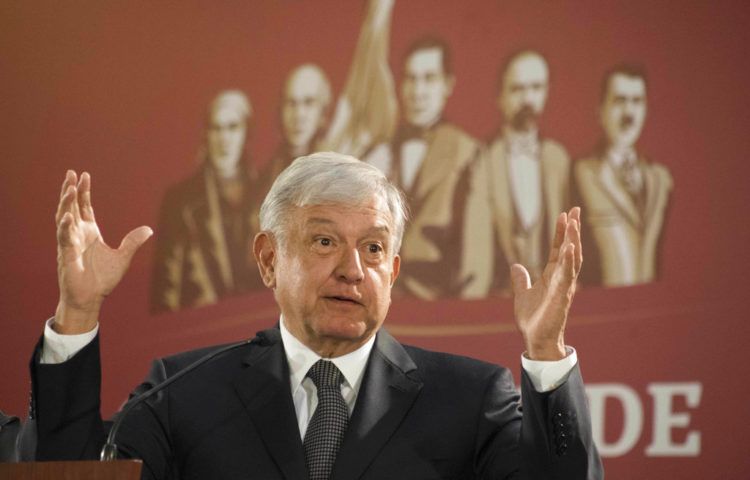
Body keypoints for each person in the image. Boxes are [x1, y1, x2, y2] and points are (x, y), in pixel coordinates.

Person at [22, 153, 602, 479]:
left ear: (393, 272)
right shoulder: (181, 392)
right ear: (269, 259)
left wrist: (546, 352)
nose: (354, 269)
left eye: (374, 249)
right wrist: (78, 311)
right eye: (324, 242)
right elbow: (66, 477)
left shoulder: (470, 398)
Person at [366, 37, 487, 300]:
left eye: (429, 79)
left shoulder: (468, 152)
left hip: (440, 306)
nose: (417, 91)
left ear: (448, 85)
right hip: (380, 304)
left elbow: (476, 260)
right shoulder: (378, 154)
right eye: (410, 79)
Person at [149, 90, 266, 313]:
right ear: (206, 134)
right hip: (203, 332)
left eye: (233, 127)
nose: (224, 138)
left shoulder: (268, 191)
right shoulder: (180, 201)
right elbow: (167, 291)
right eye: (216, 128)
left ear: (246, 134)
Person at [262, 0, 397, 192]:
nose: (298, 114)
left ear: (323, 113)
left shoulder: (339, 157)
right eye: (291, 103)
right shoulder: (267, 175)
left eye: (308, 103)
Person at [473, 50, 571, 295]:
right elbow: (475, 251)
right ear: (500, 96)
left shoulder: (559, 159)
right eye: (517, 89)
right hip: (501, 300)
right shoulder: (482, 161)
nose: (528, 99)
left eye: (536, 88)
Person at [574, 65, 672, 287]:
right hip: (603, 309)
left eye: (637, 101)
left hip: (651, 307)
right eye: (619, 101)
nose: (629, 112)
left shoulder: (661, 180)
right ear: (600, 111)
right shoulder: (582, 174)